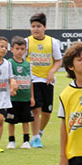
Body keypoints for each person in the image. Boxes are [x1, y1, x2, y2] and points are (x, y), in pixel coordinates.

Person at [26, 12, 63, 148]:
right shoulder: (27, 42)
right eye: (33, 26)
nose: (35, 29)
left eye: (38, 26)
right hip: (33, 81)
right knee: (36, 109)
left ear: (45, 27)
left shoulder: (52, 42)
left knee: (47, 112)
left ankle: (39, 132)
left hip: (47, 81)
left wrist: (51, 72)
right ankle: (35, 137)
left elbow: (58, 61)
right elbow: (22, 60)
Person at [6, 36, 35, 149]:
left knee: (25, 120)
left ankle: (26, 141)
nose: (19, 51)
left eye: (22, 49)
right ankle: (11, 141)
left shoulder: (28, 65)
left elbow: (30, 81)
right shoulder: (9, 63)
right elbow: (7, 79)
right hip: (13, 99)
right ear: (12, 49)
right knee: (11, 121)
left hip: (25, 98)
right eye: (17, 48)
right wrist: (10, 90)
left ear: (25, 50)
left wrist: (32, 97)